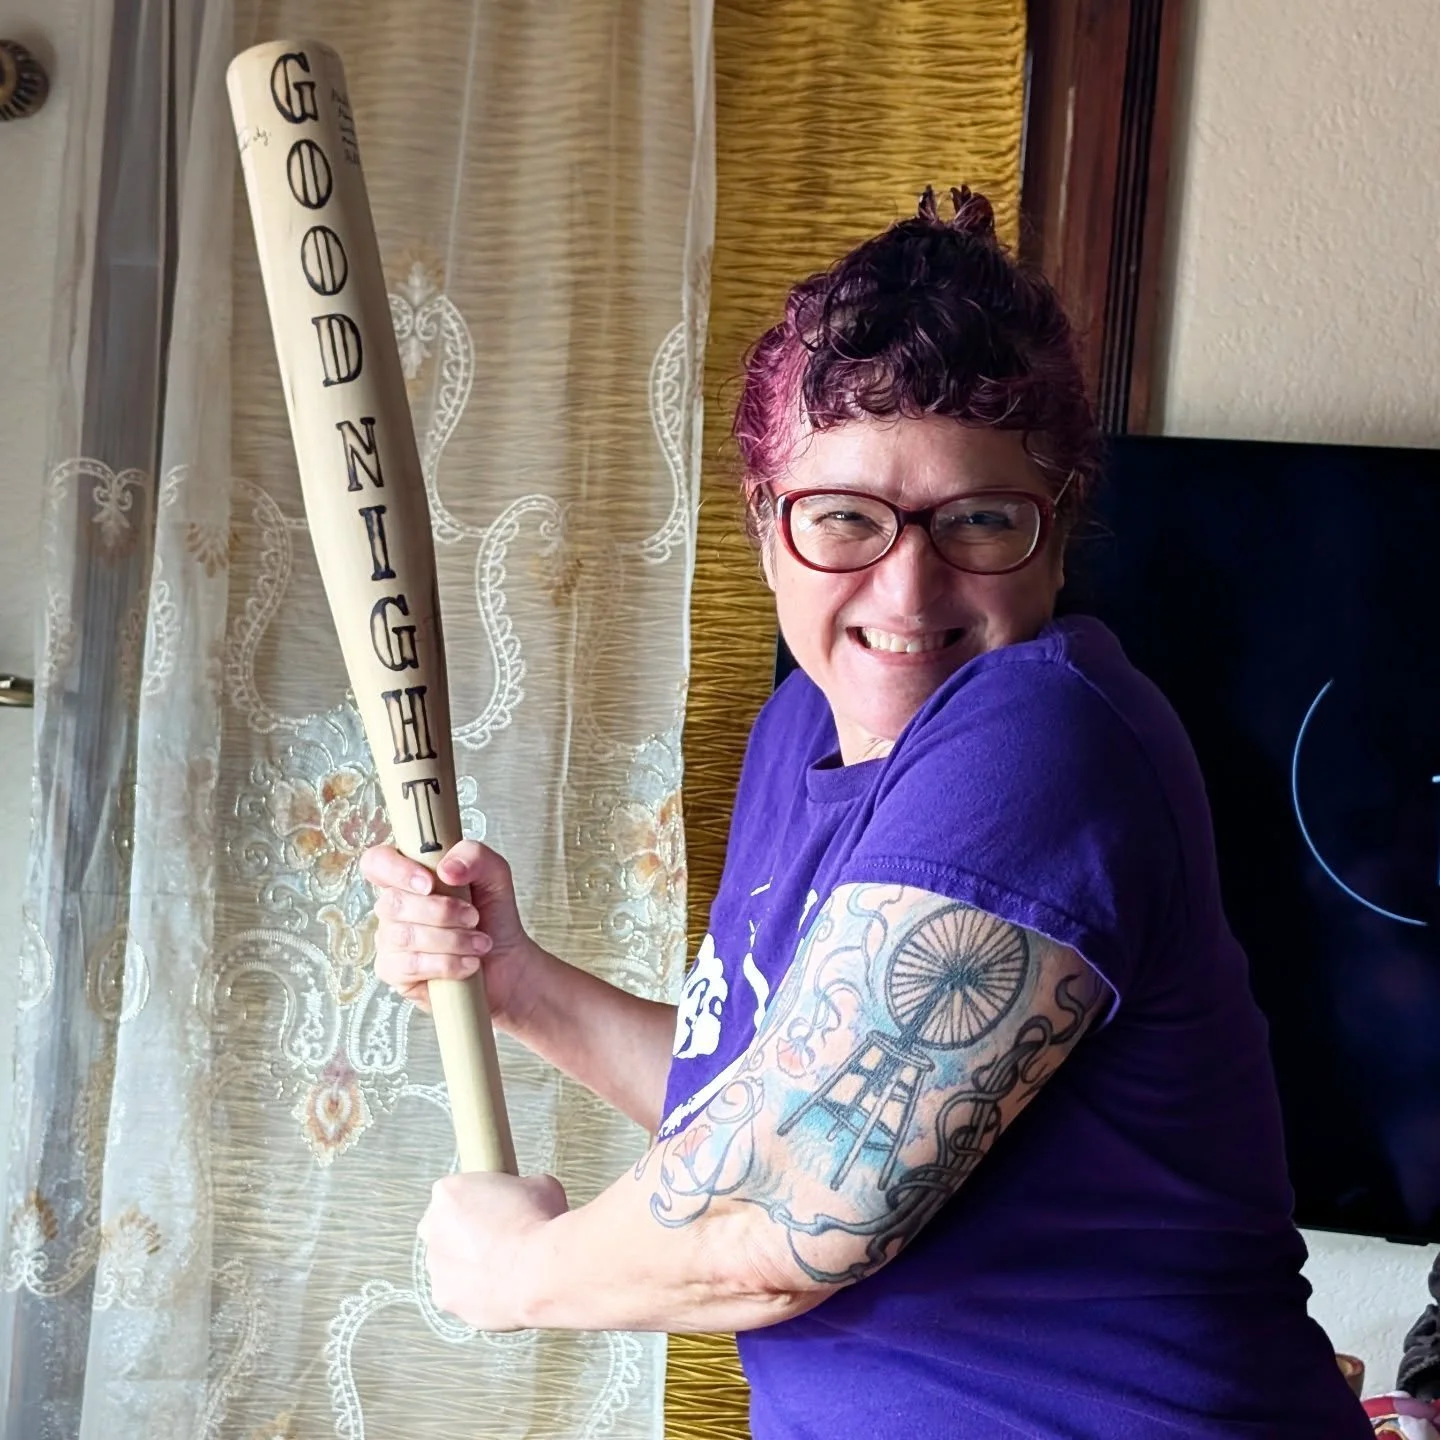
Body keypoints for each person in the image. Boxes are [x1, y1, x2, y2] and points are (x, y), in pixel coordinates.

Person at [360, 187, 1371, 1438]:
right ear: (768, 531)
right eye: (845, 516)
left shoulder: (1044, 737)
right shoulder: (800, 733)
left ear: (1056, 544)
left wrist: (520, 1273)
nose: (907, 587)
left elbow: (790, 1206)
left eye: (980, 520)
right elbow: (759, 1098)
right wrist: (519, 983)